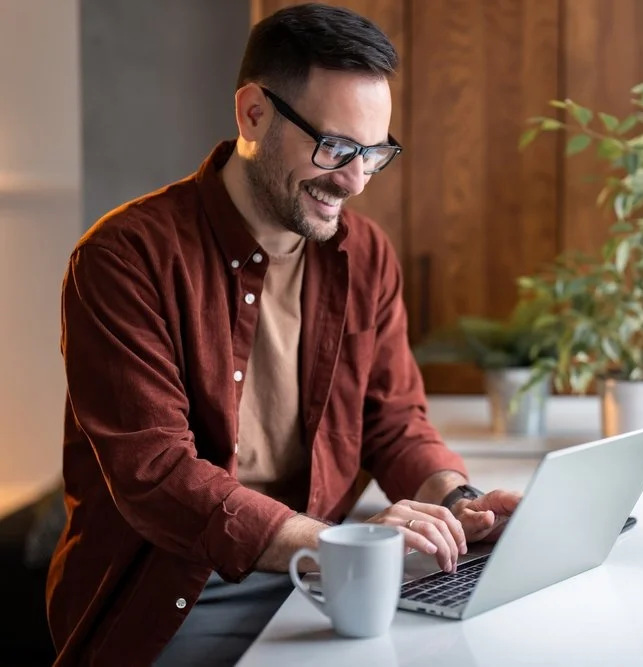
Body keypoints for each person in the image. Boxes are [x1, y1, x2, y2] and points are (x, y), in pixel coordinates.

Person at [46, 5, 521, 665]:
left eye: (374, 153)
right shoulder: (123, 259)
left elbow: (393, 419)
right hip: (175, 601)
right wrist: (335, 546)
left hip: (325, 576)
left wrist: (460, 500)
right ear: (253, 115)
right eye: (335, 148)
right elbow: (159, 476)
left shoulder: (366, 255)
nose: (354, 181)